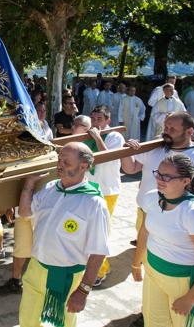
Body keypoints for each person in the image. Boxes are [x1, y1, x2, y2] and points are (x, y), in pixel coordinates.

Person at [17, 142, 110, 327]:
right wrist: (28, 185)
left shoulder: (94, 203)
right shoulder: (51, 187)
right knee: (27, 320)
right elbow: (25, 212)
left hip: (67, 276)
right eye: (59, 159)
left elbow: (99, 252)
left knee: (63, 323)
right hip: (36, 268)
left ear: (83, 166)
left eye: (66, 162)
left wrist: (83, 291)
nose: (59, 165)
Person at [131, 154, 194, 327]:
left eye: (167, 177)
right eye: (158, 173)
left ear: (186, 181)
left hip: (182, 282)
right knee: (153, 323)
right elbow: (144, 231)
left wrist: (189, 299)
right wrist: (136, 263)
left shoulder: (193, 212)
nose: (159, 179)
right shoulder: (152, 197)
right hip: (153, 274)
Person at [121, 112, 194, 247]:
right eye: (166, 128)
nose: (166, 132)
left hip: (179, 223)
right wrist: (127, 152)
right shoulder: (155, 147)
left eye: (172, 129)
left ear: (189, 131)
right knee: (146, 258)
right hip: (145, 213)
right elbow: (131, 169)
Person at [81, 106, 124, 286]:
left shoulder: (115, 136)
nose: (95, 122)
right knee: (87, 230)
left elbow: (108, 156)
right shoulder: (86, 136)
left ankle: (101, 269)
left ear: (108, 120)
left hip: (107, 190)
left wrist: (98, 137)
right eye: (93, 118)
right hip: (88, 186)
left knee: (101, 231)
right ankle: (87, 264)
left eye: (99, 119)